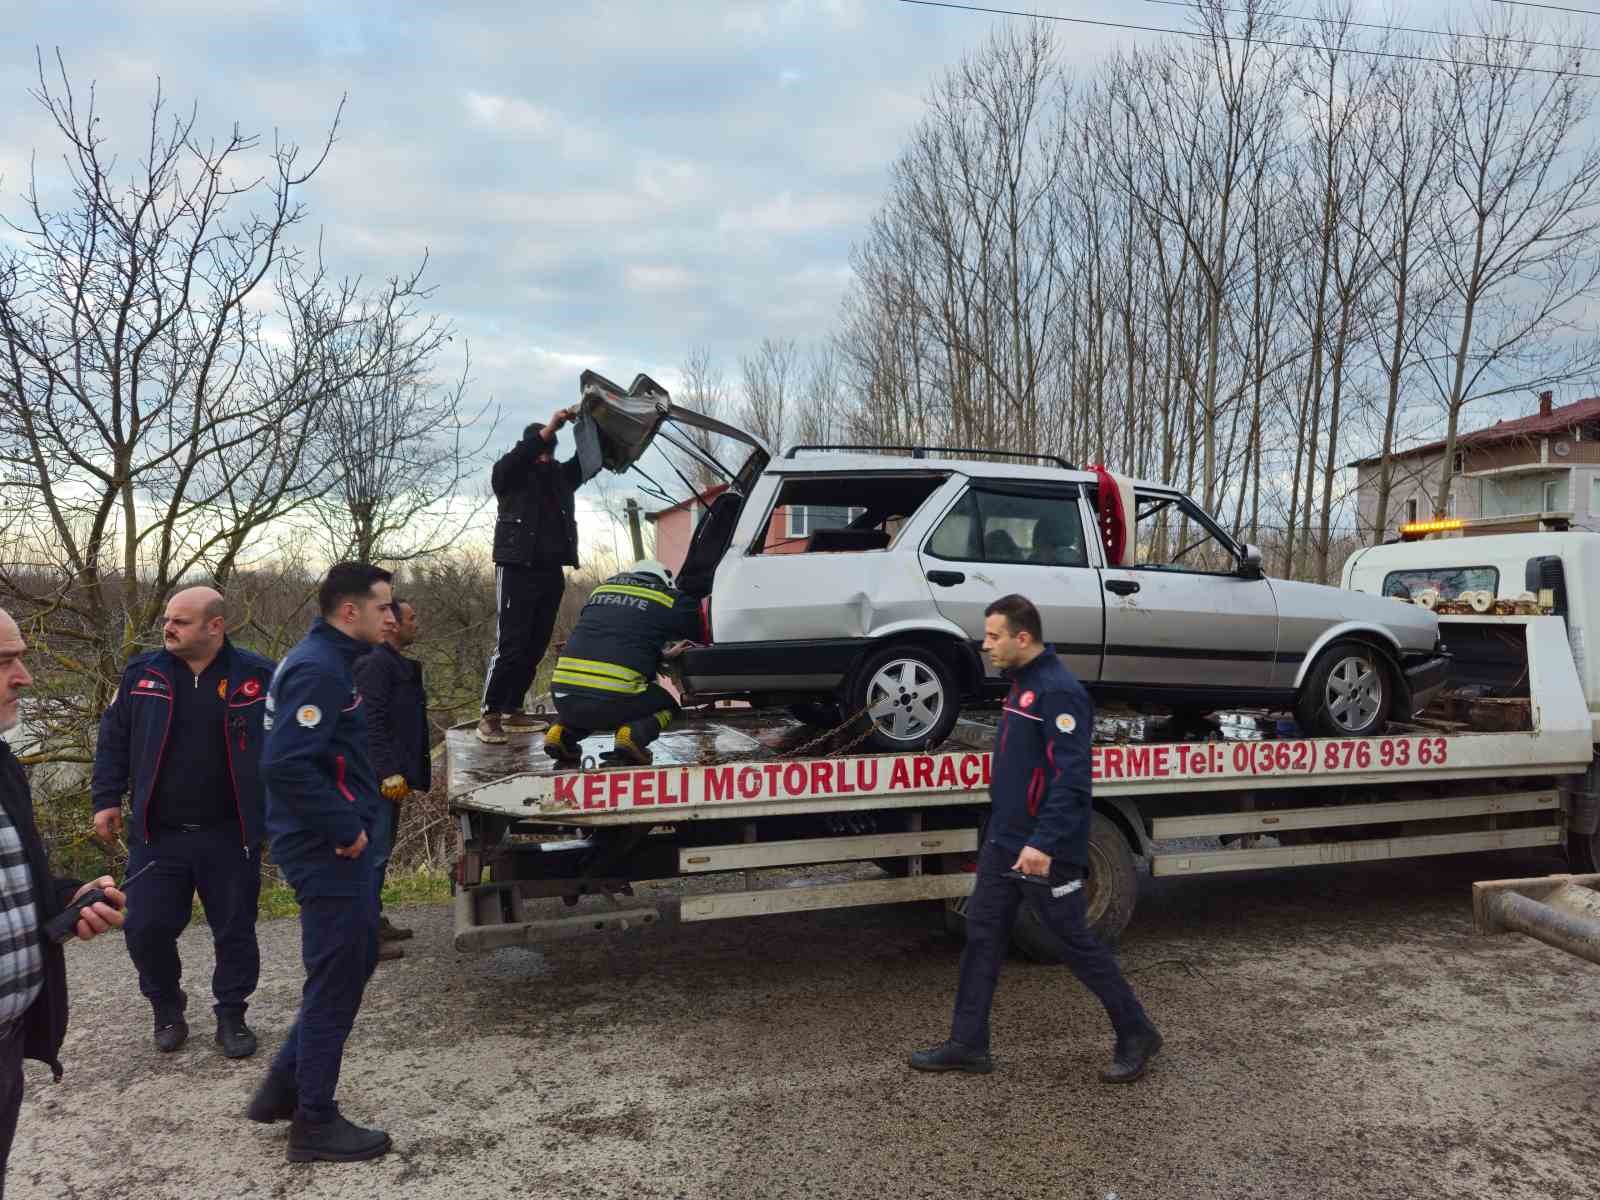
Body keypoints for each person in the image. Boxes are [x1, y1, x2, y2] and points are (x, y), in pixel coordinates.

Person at [910, 594, 1162, 1083]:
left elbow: (1072, 780)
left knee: (1073, 942)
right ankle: (968, 1044)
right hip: (1006, 842)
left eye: (994, 636)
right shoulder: (1022, 685)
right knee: (982, 937)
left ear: (1022, 637)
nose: (986, 646)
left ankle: (1137, 1031)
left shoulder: (1058, 692)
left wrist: (1043, 843)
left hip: (1043, 849)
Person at [247, 562, 393, 1163]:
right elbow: (285, 764)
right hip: (327, 849)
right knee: (336, 979)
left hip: (325, 844)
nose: (392, 616)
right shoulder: (318, 669)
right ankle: (313, 1122)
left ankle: (282, 1088)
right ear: (349, 611)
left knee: (350, 964)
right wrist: (345, 828)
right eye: (383, 606)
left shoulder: (327, 662)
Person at [90, 586, 275, 1058]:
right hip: (160, 834)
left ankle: (232, 1015)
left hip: (230, 834)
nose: (168, 628)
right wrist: (106, 798)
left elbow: (286, 749)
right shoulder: (142, 673)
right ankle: (167, 1007)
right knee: (145, 928)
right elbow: (113, 740)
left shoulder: (258, 677)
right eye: (168, 619)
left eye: (180, 621)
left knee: (234, 930)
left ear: (216, 626)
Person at [0, 606, 126, 1192]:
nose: (24, 676)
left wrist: (68, 896)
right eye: (5, 662)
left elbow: (16, 882)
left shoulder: (3, 766)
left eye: (20, 658)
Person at [479, 406, 584, 744]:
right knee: (511, 644)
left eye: (549, 454)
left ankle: (513, 708)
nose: (544, 459)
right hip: (516, 569)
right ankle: (491, 714)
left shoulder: (558, 477)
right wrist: (550, 428)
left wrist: (595, 426)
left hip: (550, 571)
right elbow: (518, 459)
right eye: (540, 452)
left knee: (535, 644)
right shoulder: (510, 474)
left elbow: (588, 462)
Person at [543, 560, 702, 767]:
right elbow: (695, 628)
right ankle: (633, 736)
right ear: (664, 581)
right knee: (668, 707)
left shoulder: (600, 592)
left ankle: (561, 732)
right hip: (614, 698)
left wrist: (661, 655)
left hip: (564, 696)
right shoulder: (667, 598)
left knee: (589, 706)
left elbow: (618, 642)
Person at [352, 596, 430, 959]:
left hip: (389, 776)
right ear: (393, 624)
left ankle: (373, 919)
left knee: (381, 852)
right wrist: (387, 772)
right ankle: (363, 936)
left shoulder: (393, 663)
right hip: (374, 778)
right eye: (412, 618)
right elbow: (370, 722)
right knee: (374, 854)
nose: (417, 623)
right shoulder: (374, 665)